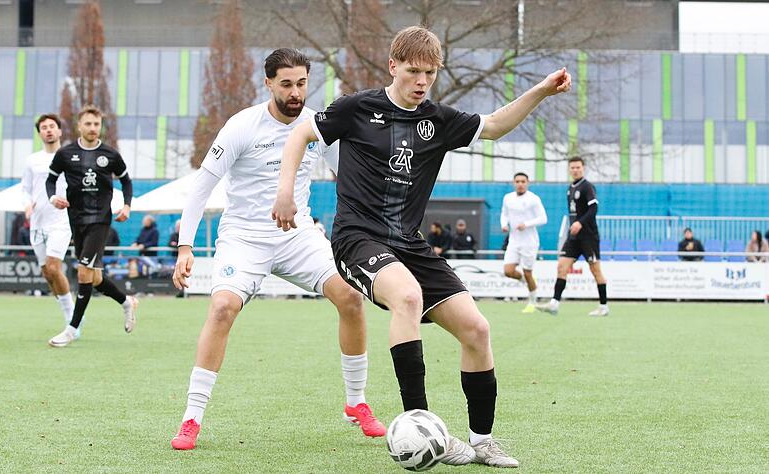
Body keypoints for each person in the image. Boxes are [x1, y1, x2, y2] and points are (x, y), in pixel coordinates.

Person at [273, 26, 571, 468]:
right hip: (357, 238)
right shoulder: (357, 108)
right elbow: (301, 134)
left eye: (429, 73)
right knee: (407, 296)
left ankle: (483, 442)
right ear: (393, 66)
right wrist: (285, 194)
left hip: (408, 244)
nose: (421, 81)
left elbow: (493, 126)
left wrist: (541, 91)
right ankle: (421, 423)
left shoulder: (438, 120)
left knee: (477, 330)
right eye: (413, 71)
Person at [169, 48, 385, 451]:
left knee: (351, 298)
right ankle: (192, 418)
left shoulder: (318, 125)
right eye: (286, 84)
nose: (295, 92)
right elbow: (202, 187)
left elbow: (349, 177)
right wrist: (185, 246)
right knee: (221, 309)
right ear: (268, 83)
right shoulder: (242, 126)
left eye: (301, 83)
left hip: (299, 235)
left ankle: (356, 403)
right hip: (244, 238)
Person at [45, 105, 137, 348]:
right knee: (94, 278)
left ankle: (72, 329)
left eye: (96, 124)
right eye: (88, 124)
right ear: (79, 126)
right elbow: (50, 179)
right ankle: (126, 301)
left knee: (83, 272)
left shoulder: (111, 154)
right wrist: (53, 198)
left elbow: (126, 181)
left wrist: (127, 206)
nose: (93, 128)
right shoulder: (65, 154)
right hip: (76, 221)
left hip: (100, 220)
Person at [20, 113, 75, 326]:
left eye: (52, 126)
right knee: (47, 273)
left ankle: (73, 319)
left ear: (60, 131)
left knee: (53, 267)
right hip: (37, 222)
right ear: (40, 133)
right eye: (44, 127)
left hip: (61, 221)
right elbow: (25, 189)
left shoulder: (70, 156)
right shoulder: (32, 160)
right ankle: (67, 312)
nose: (49, 130)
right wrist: (26, 204)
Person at [536, 157, 609, 317]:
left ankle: (603, 307)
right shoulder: (570, 188)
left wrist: (580, 223)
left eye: (578, 167)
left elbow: (593, 208)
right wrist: (574, 226)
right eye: (573, 168)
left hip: (589, 237)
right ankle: (554, 304)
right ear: (569, 170)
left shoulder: (587, 186)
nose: (575, 170)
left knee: (595, 271)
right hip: (574, 237)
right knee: (562, 266)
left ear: (583, 168)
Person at [500, 172, 547, 313]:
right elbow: (504, 214)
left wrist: (526, 224)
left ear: (527, 183)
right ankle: (528, 282)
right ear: (514, 183)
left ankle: (532, 303)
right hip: (514, 241)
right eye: (517, 181)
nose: (520, 184)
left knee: (528, 273)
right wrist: (504, 224)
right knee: (508, 271)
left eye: (523, 181)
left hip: (529, 242)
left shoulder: (534, 199)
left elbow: (543, 218)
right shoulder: (507, 198)